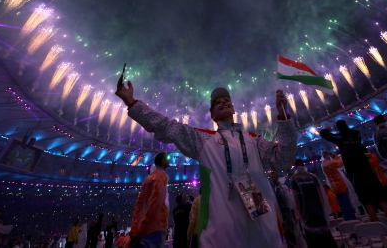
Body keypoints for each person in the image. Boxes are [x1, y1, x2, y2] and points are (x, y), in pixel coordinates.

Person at [115, 73, 298, 248]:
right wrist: (131, 102)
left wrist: (284, 119)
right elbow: (166, 126)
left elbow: (283, 160)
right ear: (212, 115)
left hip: (262, 228)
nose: (223, 102)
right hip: (223, 233)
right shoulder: (203, 141)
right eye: (217, 102)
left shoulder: (254, 141)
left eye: (227, 100)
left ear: (233, 109)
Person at [320, 121, 387, 221]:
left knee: (364, 196)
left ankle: (375, 222)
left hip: (353, 169)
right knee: (378, 193)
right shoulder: (356, 133)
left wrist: (328, 128)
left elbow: (324, 134)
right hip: (365, 166)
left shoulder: (340, 137)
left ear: (337, 128)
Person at [290, 160, 337, 248]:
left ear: (295, 167)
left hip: (306, 215)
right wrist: (325, 210)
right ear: (303, 165)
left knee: (313, 241)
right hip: (319, 212)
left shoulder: (294, 179)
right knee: (326, 238)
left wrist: (298, 215)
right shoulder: (313, 177)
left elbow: (295, 199)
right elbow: (321, 195)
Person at [129, 152, 170, 248]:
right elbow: (156, 203)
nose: (169, 160)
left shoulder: (148, 179)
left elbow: (138, 205)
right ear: (163, 161)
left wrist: (136, 228)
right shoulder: (160, 178)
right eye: (167, 159)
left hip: (143, 228)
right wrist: (144, 224)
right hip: (155, 227)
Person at [269, 170, 305, 248]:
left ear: (277, 177)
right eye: (272, 177)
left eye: (274, 176)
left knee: (291, 231)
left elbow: (289, 200)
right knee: (288, 232)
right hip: (283, 214)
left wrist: (293, 212)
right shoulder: (276, 189)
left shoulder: (282, 187)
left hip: (288, 212)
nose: (273, 178)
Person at [321, 152, 356, 221]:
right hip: (339, 185)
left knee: (343, 205)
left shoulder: (324, 164)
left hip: (335, 186)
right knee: (346, 204)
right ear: (326, 156)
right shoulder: (328, 163)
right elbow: (341, 163)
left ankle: (349, 220)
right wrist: (335, 156)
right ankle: (351, 220)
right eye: (329, 155)